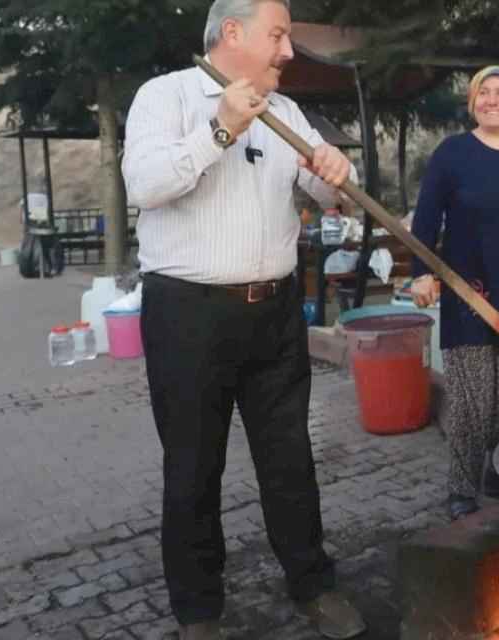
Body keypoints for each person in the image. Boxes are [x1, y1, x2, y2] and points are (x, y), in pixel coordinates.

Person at [121, 1, 365, 638]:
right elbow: (143, 185)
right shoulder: (166, 97)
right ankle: (199, 609)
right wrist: (220, 130)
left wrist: (338, 173)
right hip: (188, 316)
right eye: (278, 35)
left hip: (276, 314)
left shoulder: (287, 113)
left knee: (290, 459)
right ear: (233, 33)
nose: (287, 50)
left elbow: (328, 187)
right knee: (194, 465)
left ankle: (312, 584)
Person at [409, 66, 499, 520]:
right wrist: (421, 272)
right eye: (484, 93)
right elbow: (426, 219)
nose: (494, 100)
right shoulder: (453, 154)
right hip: (468, 291)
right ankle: (461, 490)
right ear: (473, 103)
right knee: (475, 399)